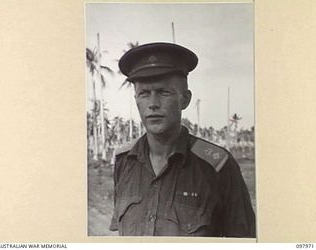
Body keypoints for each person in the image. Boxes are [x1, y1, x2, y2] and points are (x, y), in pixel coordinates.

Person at [109, 42, 255, 237]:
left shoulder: (218, 166)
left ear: (185, 99)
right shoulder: (124, 162)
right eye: (144, 94)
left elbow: (244, 242)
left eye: (164, 92)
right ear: (136, 99)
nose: (152, 104)